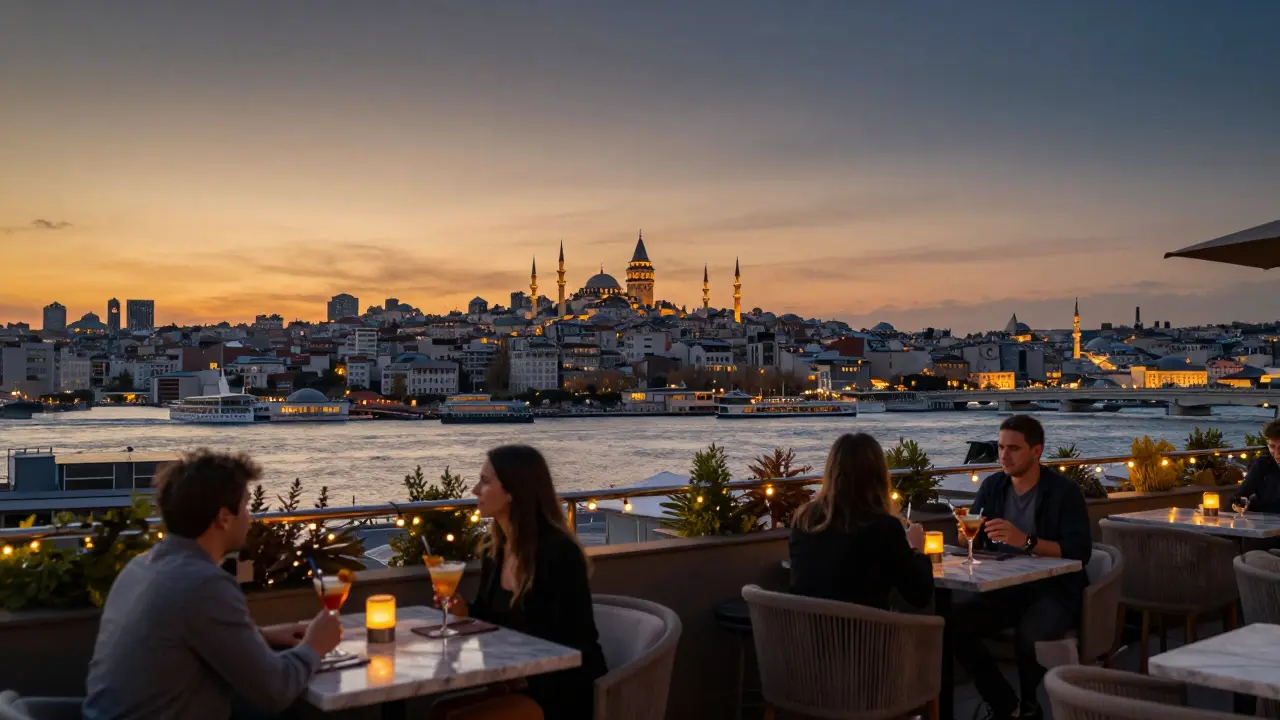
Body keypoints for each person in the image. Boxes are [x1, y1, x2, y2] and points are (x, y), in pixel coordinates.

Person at [84, 450, 342, 720]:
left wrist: (260, 636)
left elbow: (177, 638)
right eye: (245, 506)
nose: (250, 517)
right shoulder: (202, 583)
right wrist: (315, 645)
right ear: (224, 518)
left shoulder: (140, 568)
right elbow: (275, 690)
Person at [448, 445, 607, 720]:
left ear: (512, 490)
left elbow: (570, 636)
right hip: (519, 679)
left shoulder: (558, 552)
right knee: (441, 711)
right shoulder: (494, 551)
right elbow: (489, 615)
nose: (475, 490)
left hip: (564, 686)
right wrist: (465, 611)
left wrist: (514, 671)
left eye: (485, 481)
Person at [950, 415, 1092, 720]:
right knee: (952, 621)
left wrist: (1025, 541)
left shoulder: (1063, 492)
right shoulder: (993, 487)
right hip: (1006, 588)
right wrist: (966, 533)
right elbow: (969, 536)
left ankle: (1030, 709)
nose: (1004, 455)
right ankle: (1004, 703)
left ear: (1036, 451)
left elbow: (1079, 551)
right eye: (1001, 447)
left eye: (1013, 448)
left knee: (1030, 633)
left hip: (1055, 590)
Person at [789, 432, 934, 610]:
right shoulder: (883, 528)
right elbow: (919, 595)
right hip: (863, 629)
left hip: (807, 627)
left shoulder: (805, 520)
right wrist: (917, 549)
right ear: (879, 477)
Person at [1233, 418, 1280, 514]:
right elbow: (1240, 495)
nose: (1277, 454)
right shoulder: (1263, 464)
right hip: (1267, 519)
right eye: (1272, 446)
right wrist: (1240, 504)